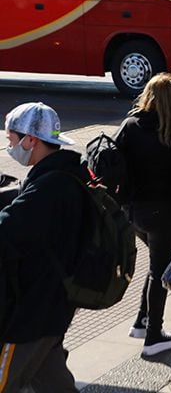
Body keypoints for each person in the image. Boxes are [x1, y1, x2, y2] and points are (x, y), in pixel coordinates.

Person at [115, 74, 171, 356]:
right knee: (160, 271)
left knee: (158, 264)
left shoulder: (129, 126)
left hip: (131, 212)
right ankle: (154, 337)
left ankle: (142, 320)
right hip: (162, 213)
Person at [0, 103, 84, 390]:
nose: (10, 146)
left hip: (30, 313)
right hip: (54, 305)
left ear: (30, 140)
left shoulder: (49, 187)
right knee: (53, 382)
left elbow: (7, 229)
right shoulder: (69, 176)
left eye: (11, 140)